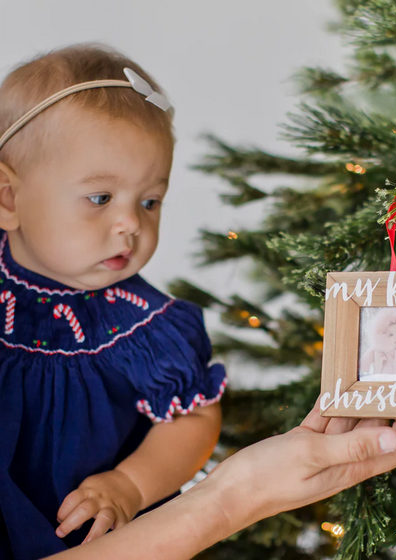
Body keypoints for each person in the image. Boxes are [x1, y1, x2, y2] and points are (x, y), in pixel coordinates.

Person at [0, 45, 227, 559]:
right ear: (8, 199)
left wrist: (131, 484)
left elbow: (192, 419)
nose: (131, 224)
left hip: (85, 536)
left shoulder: (142, 324)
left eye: (150, 201)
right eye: (100, 198)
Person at [43, 405, 396, 560]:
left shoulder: (148, 315)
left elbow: (194, 409)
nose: (129, 231)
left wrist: (132, 483)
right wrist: (233, 499)